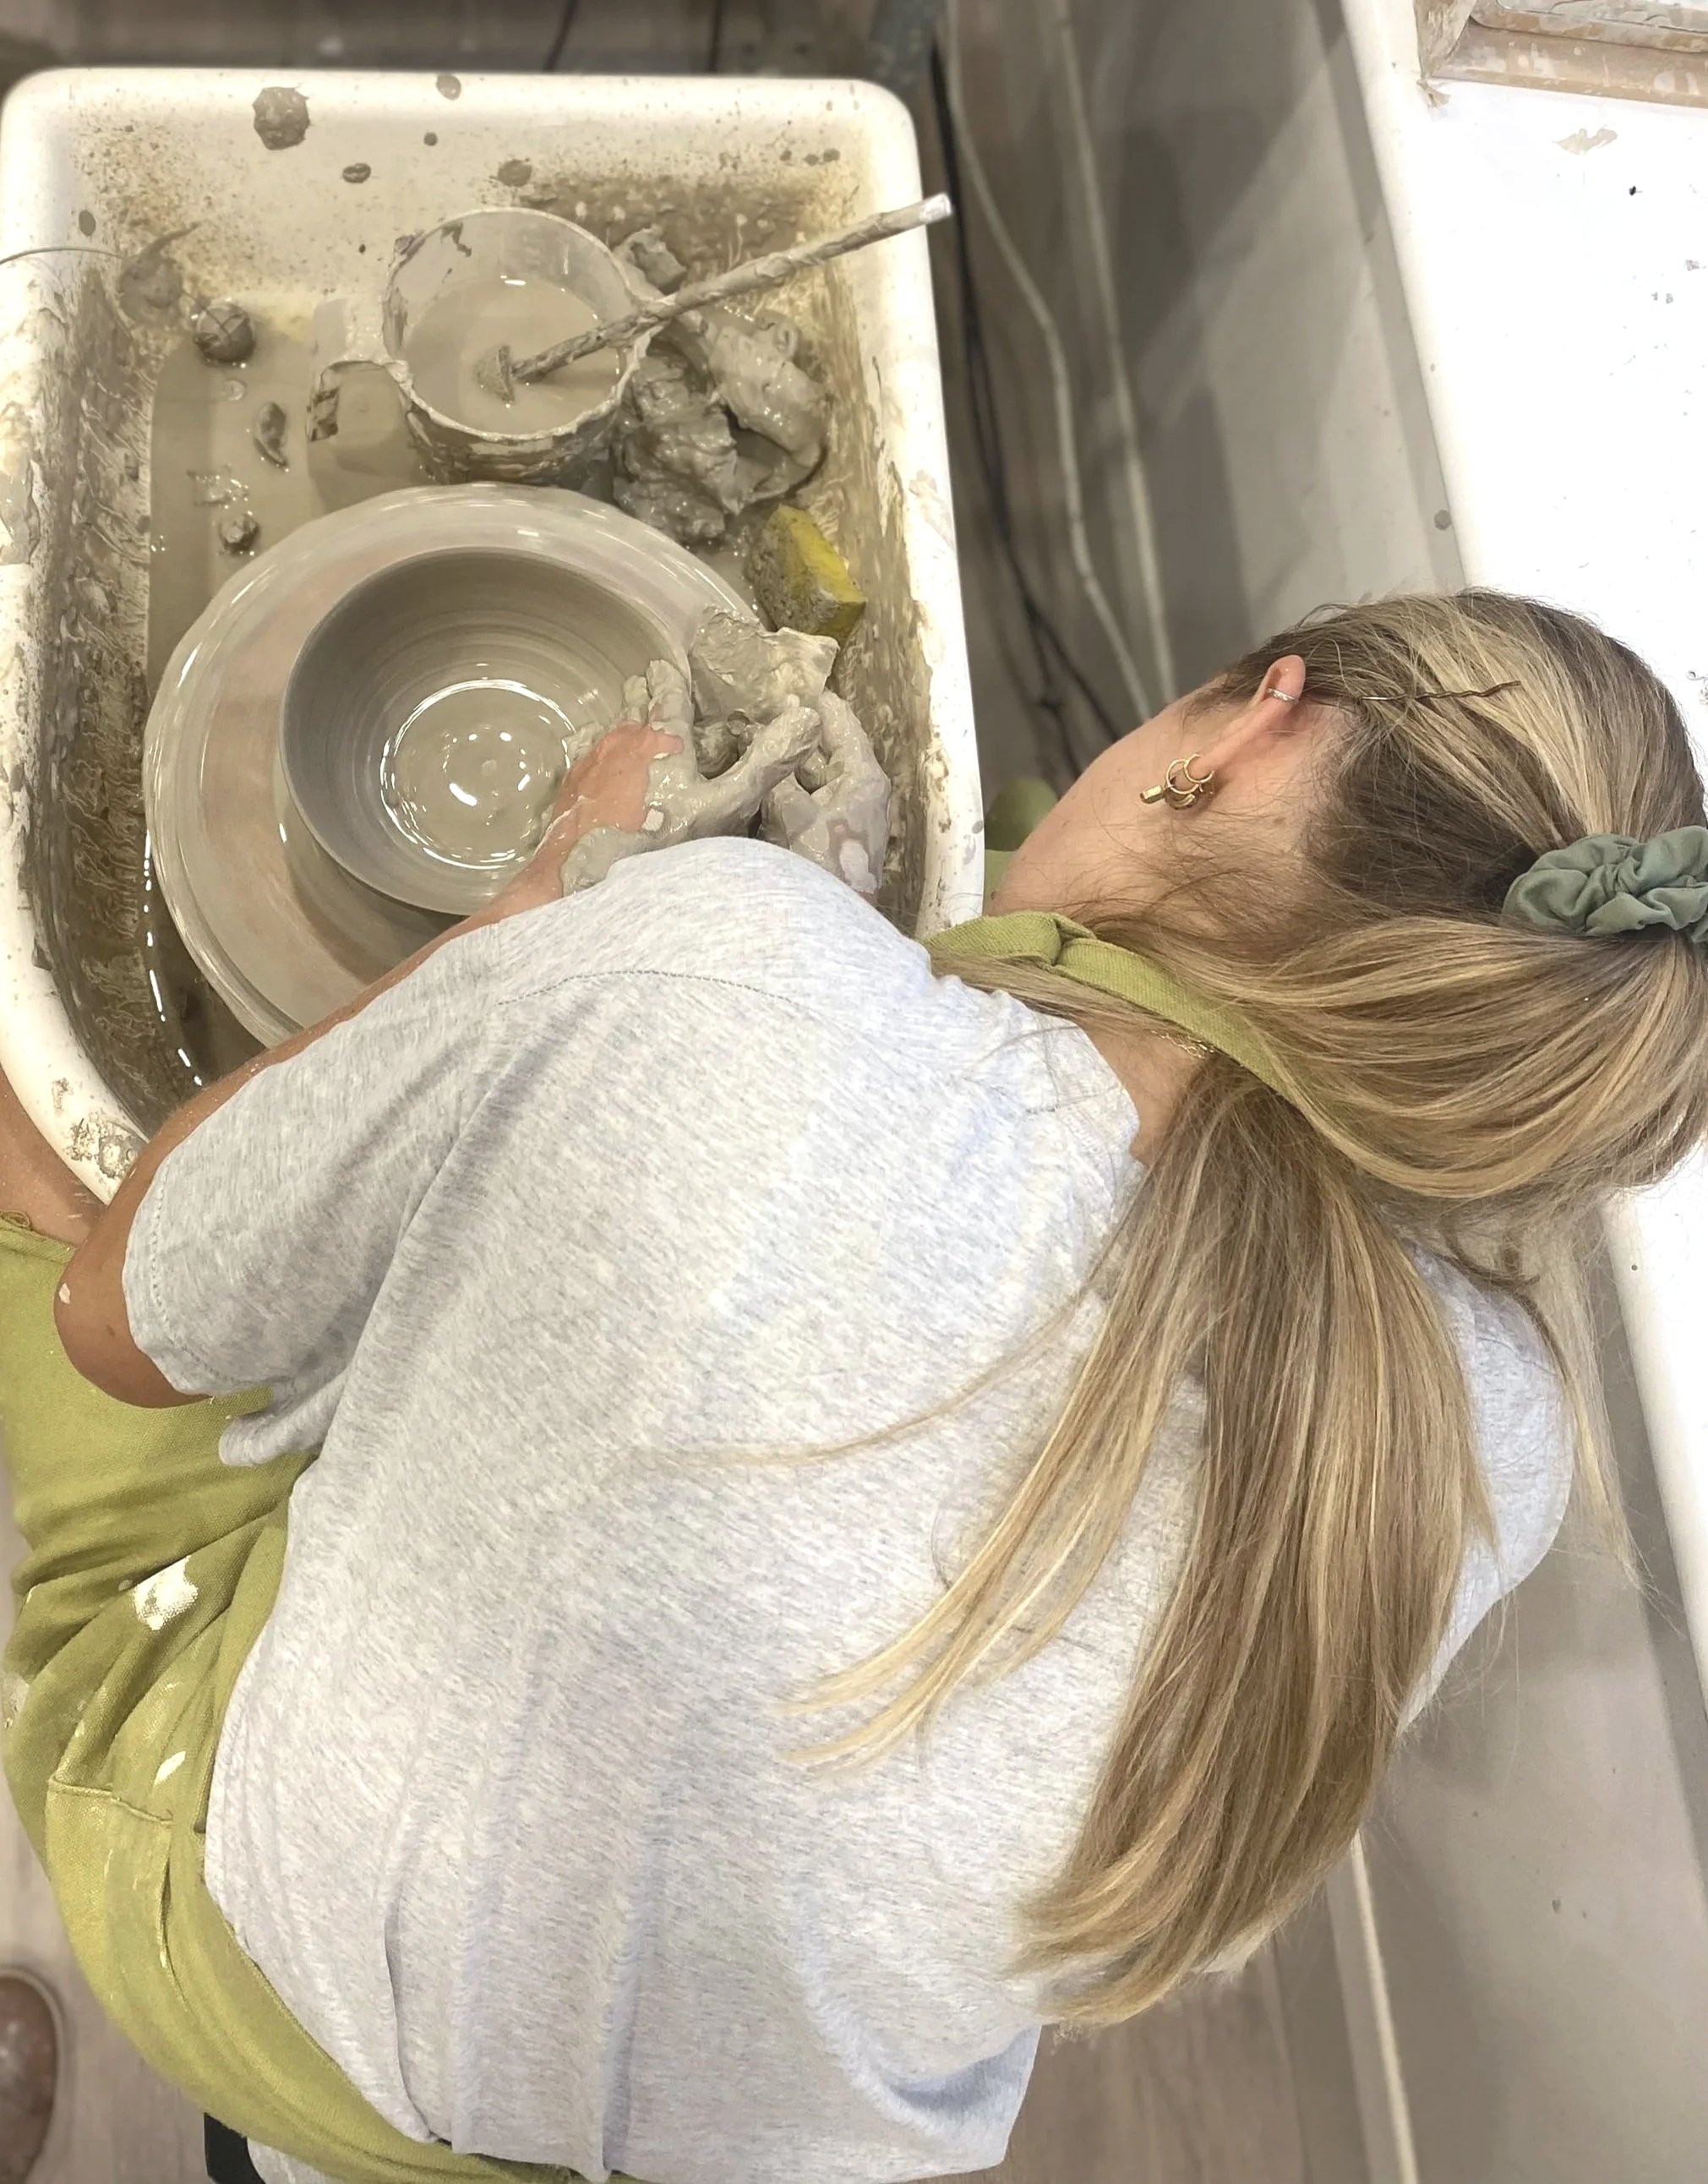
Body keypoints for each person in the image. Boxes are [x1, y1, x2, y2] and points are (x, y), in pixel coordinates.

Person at [3, 590, 1706, 2184]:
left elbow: (119, 1318)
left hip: (284, 1993)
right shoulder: (1491, 1437)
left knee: (83, 1249)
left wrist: (541, 903)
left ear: (1261, 725)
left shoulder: (723, 953)